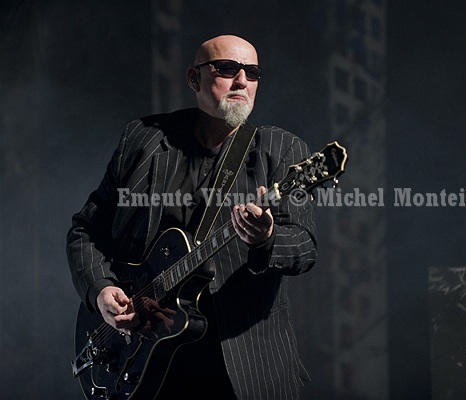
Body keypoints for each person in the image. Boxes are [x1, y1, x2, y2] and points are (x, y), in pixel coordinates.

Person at [66, 34, 317, 399]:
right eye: (228, 69)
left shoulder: (280, 150)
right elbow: (87, 230)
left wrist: (267, 238)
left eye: (252, 72)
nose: (242, 81)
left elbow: (304, 246)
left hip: (245, 366)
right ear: (194, 78)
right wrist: (101, 289)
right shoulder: (143, 139)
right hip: (144, 359)